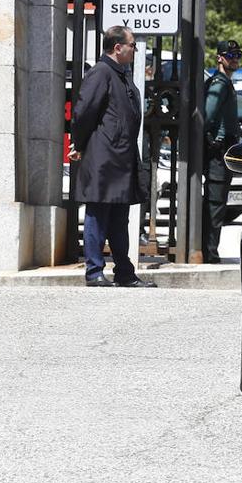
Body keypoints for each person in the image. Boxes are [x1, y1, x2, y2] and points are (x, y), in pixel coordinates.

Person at [69, 25, 156, 288]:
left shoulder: (120, 74)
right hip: (104, 157)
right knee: (97, 213)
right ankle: (94, 271)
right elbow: (83, 113)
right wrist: (79, 143)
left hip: (121, 157)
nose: (135, 49)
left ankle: (125, 273)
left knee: (120, 219)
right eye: (132, 45)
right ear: (117, 48)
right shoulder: (101, 72)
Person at [202, 39, 242, 263]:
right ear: (220, 58)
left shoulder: (224, 82)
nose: (235, 59)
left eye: (238, 55)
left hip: (223, 148)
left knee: (217, 201)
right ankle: (209, 252)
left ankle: (209, 250)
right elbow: (206, 117)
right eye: (230, 55)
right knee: (216, 202)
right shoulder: (219, 84)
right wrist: (212, 139)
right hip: (219, 150)